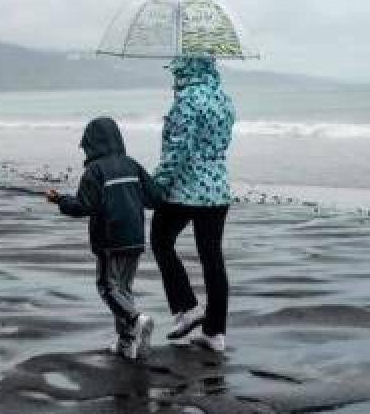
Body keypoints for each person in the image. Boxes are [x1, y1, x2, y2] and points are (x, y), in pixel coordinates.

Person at [45, 116, 160, 360]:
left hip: (110, 240)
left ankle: (136, 320)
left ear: (92, 144)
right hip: (136, 238)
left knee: (108, 288)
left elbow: (84, 206)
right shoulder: (132, 165)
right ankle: (127, 343)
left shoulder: (94, 171)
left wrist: (60, 201)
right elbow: (153, 199)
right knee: (124, 289)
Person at [150, 56, 235, 352]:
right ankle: (215, 333)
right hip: (218, 189)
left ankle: (187, 308)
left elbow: (177, 151)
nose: (174, 75)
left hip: (186, 189)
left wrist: (156, 185)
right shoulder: (223, 99)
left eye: (176, 70)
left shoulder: (186, 100)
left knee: (160, 240)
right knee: (212, 257)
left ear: (186, 70)